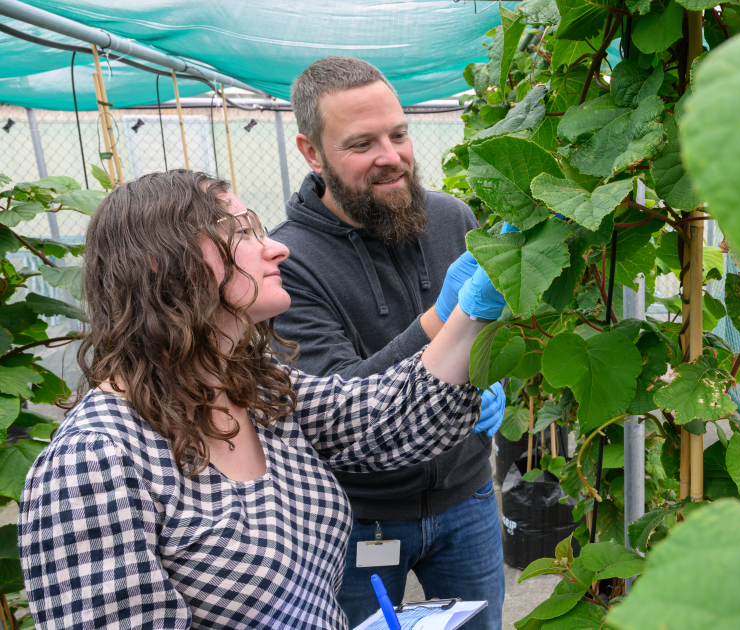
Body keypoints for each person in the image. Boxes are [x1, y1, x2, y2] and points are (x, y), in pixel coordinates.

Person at [17, 170, 508, 629]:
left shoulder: (256, 392)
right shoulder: (93, 462)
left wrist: (472, 312)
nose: (276, 248)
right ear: (161, 264)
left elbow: (386, 419)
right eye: (241, 233)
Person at [269, 56, 505, 628]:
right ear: (311, 152)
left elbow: (493, 334)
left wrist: (495, 378)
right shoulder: (287, 263)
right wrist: (439, 321)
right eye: (362, 143)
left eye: (398, 135)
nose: (391, 157)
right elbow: (333, 402)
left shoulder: (452, 219)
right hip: (360, 518)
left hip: (467, 495)